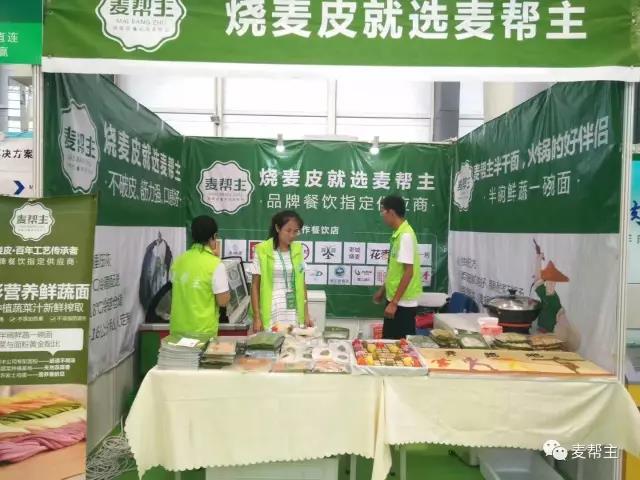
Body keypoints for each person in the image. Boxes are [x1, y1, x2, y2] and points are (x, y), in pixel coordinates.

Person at [251, 210, 313, 332]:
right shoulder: (262, 250)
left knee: (292, 341)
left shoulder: (298, 250)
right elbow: (254, 286)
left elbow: (302, 283)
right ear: (277, 228)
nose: (292, 235)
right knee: (272, 341)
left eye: (296, 231)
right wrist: (257, 317)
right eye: (288, 230)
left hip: (293, 309)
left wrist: (306, 313)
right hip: (271, 309)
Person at [169, 216, 230, 338]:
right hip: (202, 334)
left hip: (177, 332)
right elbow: (223, 302)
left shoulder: (179, 260)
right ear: (214, 236)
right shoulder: (215, 264)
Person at [373, 195, 422, 339]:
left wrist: (394, 303)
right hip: (395, 299)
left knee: (401, 346)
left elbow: (409, 272)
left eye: (383, 211)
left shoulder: (405, 236)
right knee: (388, 342)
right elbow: (395, 269)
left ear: (392, 212)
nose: (382, 215)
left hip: (403, 304)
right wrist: (383, 290)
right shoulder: (398, 234)